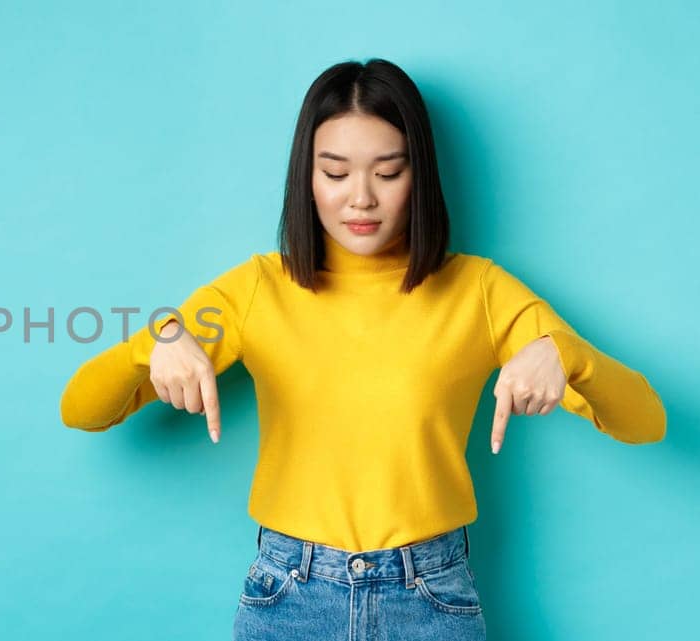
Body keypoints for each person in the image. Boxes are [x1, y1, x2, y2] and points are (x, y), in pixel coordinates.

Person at [57, 58, 666, 641]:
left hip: (431, 598)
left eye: (389, 170)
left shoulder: (480, 291)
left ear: (418, 174)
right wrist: (156, 342)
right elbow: (80, 409)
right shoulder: (256, 289)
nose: (362, 198)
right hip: (289, 595)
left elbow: (645, 421)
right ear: (307, 175)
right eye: (336, 171)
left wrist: (565, 352)